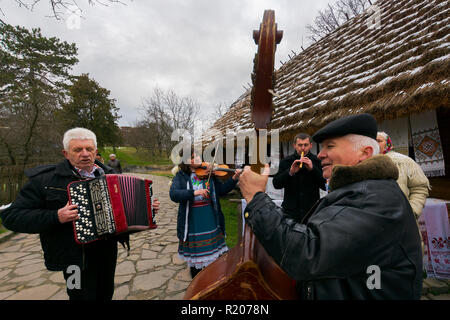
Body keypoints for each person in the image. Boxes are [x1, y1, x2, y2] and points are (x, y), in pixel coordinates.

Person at [239, 113, 423, 299]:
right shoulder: (359, 189)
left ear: (365, 153)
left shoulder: (374, 199)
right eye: (321, 147)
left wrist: (256, 198)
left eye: (330, 146)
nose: (320, 154)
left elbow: (308, 254)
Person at [0, 127, 160, 300]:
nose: (85, 154)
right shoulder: (45, 180)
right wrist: (56, 216)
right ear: (66, 153)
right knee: (78, 297)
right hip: (72, 258)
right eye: (77, 150)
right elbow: (11, 217)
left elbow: (123, 213)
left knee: (105, 295)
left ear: (96, 151)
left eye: (89, 149)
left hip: (106, 253)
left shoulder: (110, 174)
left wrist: (146, 208)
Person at [169, 151, 241, 279]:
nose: (197, 158)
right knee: (196, 263)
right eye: (192, 157)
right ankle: (197, 286)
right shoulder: (181, 176)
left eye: (197, 155)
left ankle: (212, 284)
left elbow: (222, 191)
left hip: (210, 220)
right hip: (193, 223)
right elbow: (174, 195)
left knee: (215, 261)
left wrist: (233, 179)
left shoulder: (209, 174)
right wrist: (194, 193)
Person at [273, 133, 326, 221]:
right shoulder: (286, 161)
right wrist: (290, 172)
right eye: (300, 145)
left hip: (311, 211)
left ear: (311, 145)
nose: (303, 148)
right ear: (294, 146)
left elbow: (324, 185)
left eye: (306, 145)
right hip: (290, 212)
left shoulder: (317, 161)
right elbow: (276, 184)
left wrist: (313, 169)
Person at [376, 131, 429, 219]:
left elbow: (419, 187)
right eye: (373, 141)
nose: (375, 143)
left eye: (379, 141)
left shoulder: (404, 161)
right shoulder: (361, 162)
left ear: (388, 143)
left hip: (403, 219)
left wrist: (412, 211)